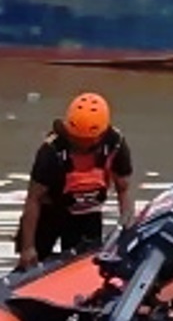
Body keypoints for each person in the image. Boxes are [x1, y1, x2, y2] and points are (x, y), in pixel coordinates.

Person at [14, 92, 135, 271]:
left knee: (84, 267)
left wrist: (127, 232)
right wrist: (28, 247)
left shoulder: (115, 144)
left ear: (101, 134)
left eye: (87, 141)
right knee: (29, 263)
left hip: (87, 213)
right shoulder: (51, 151)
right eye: (76, 139)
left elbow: (123, 190)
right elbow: (33, 199)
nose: (81, 145)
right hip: (50, 212)